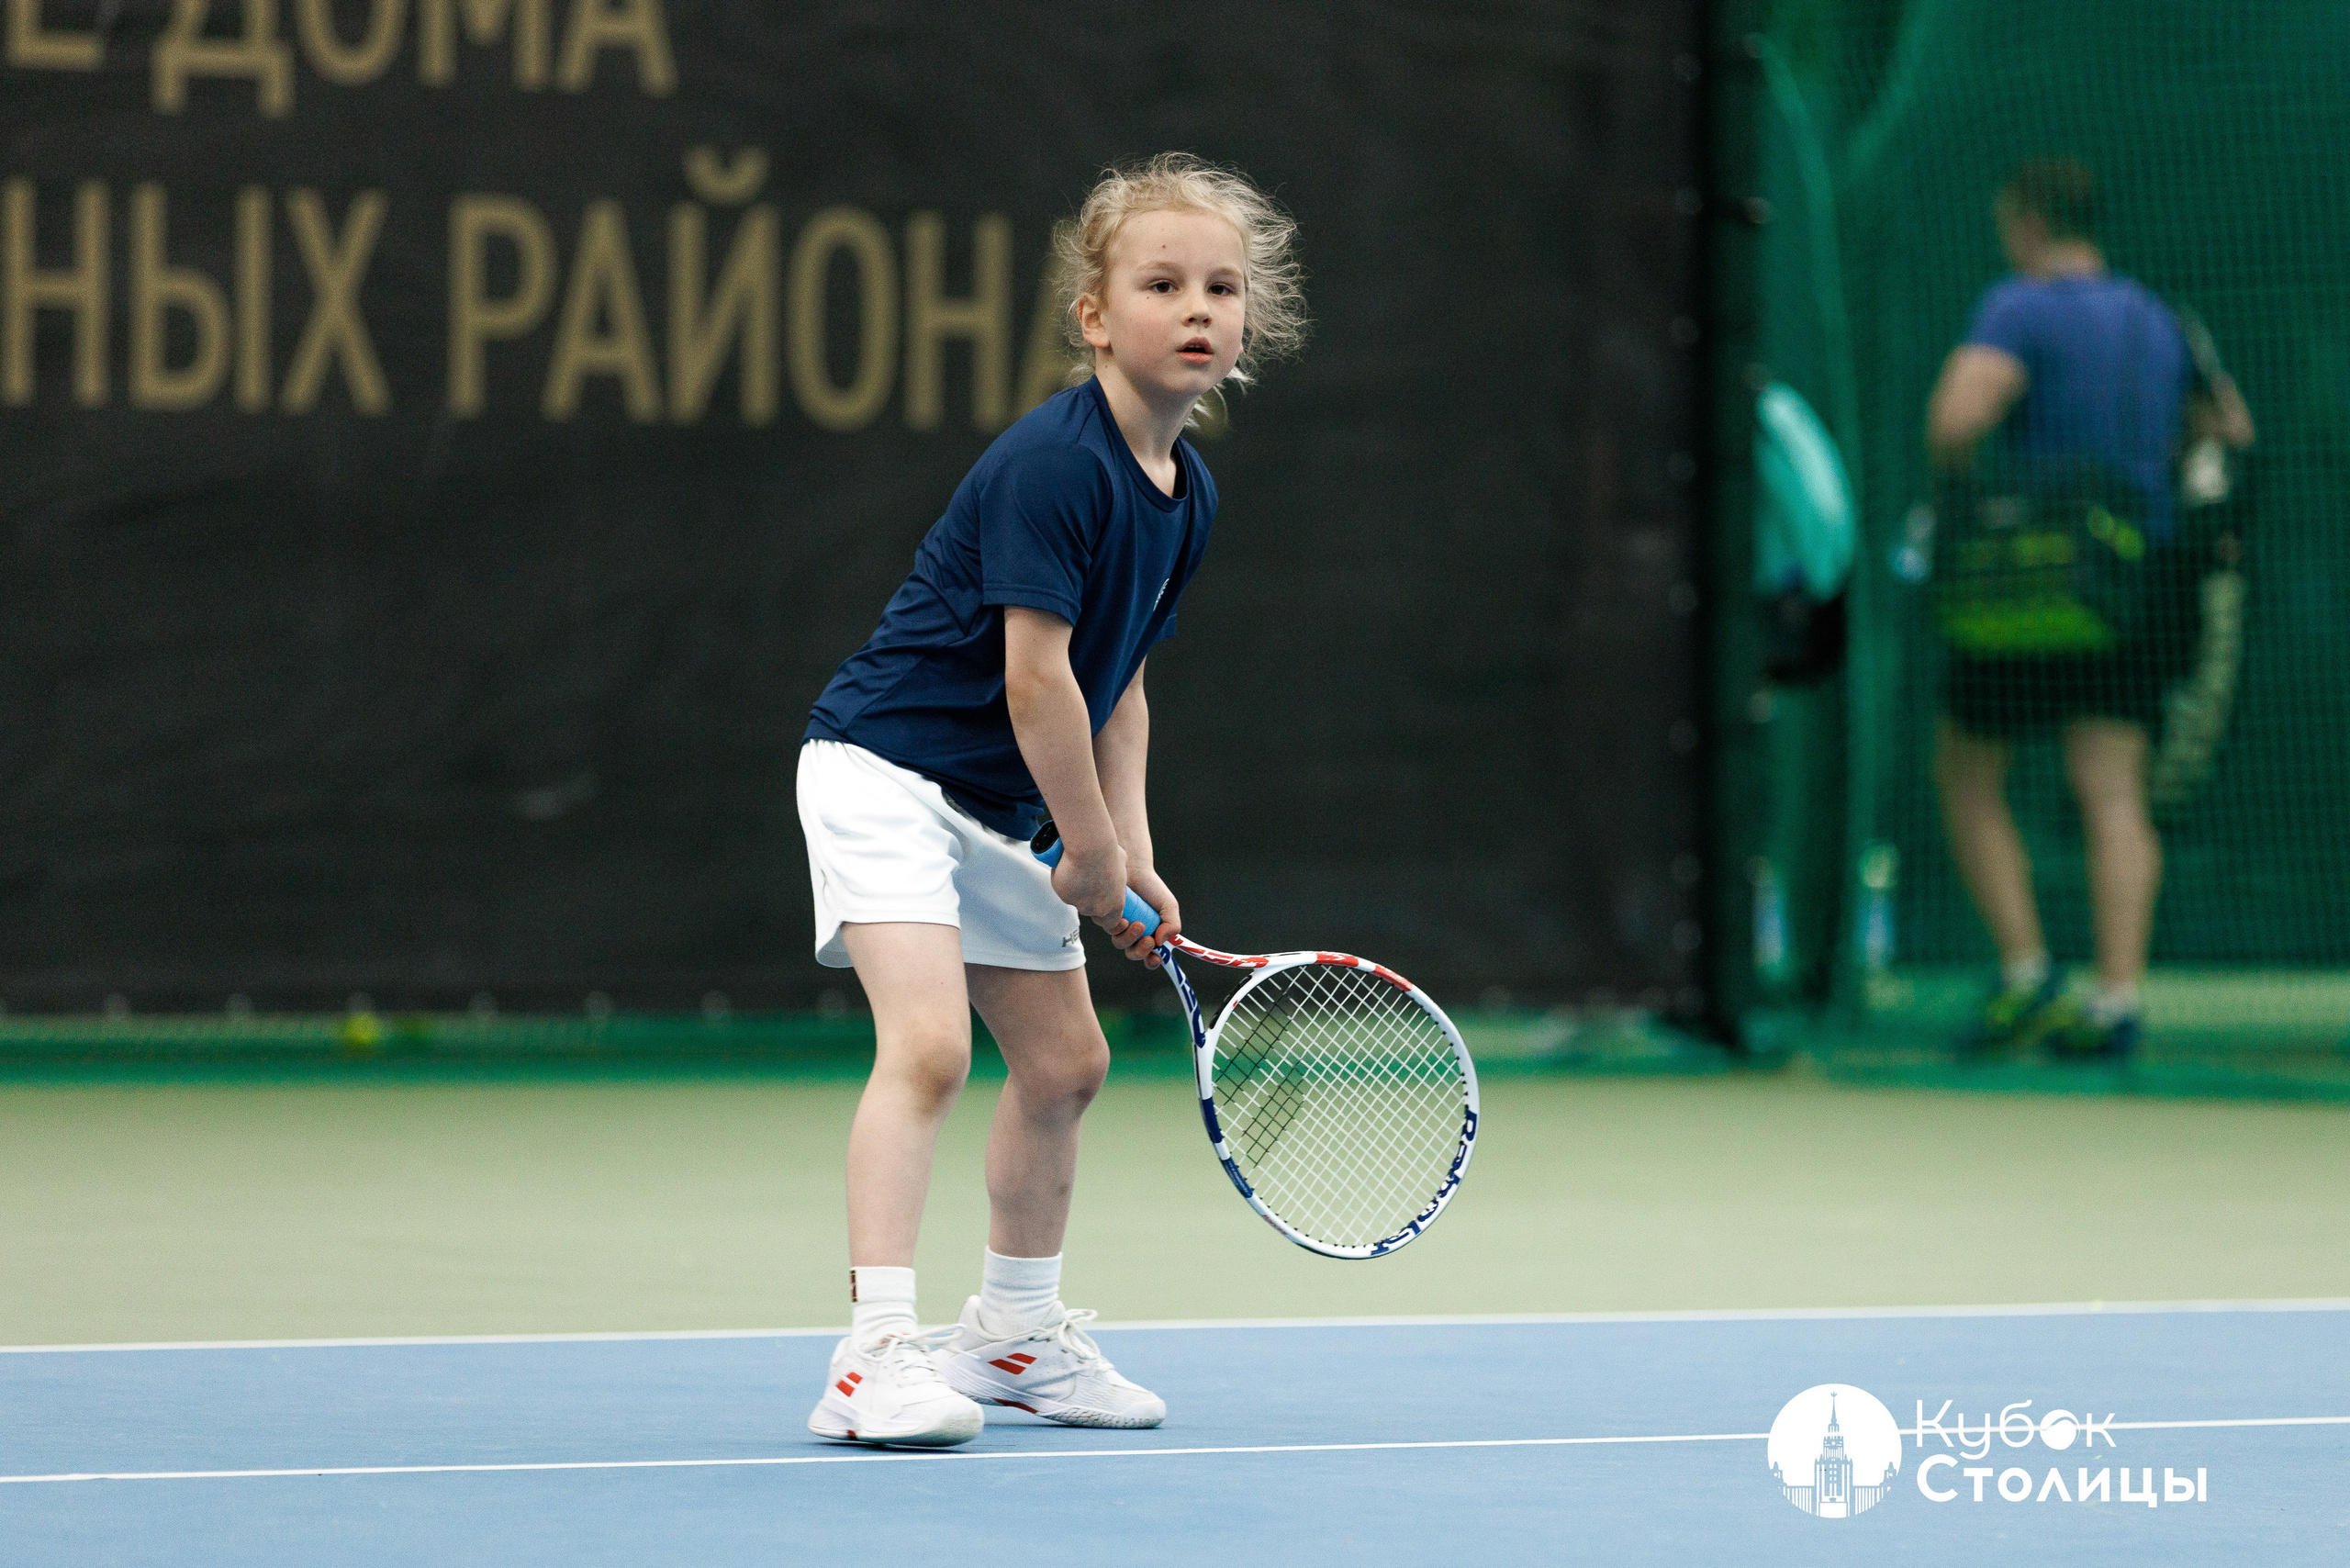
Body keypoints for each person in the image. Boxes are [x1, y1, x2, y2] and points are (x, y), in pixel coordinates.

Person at [794, 153, 1304, 1446]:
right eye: (1161, 282)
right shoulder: (1053, 466)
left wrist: (1127, 847)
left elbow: (1113, 686)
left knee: (1067, 1064)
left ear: (1251, 322)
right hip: (886, 776)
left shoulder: (1187, 498)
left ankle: (1013, 1341)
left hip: (1004, 809)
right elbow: (1034, 686)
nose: (1199, 308)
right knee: (927, 1050)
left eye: (1224, 288)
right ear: (1094, 314)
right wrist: (1084, 852)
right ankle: (868, 1361)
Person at [1925, 158, 2253, 1062]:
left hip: (2029, 579)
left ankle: (2026, 971)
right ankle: (2115, 999)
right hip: (2135, 583)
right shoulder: (2159, 318)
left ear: (2025, 220)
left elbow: (1957, 419)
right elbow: (2229, 429)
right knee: (2113, 791)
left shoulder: (2017, 306)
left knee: (1965, 768)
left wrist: (1963, 483)